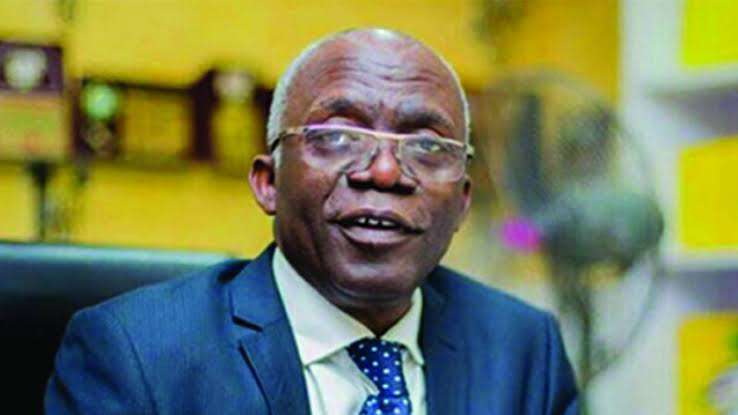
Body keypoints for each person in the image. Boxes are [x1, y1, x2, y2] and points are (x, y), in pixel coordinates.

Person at [45, 28, 578, 414]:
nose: (385, 172)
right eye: (338, 136)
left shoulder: (525, 349)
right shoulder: (136, 354)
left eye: (425, 144)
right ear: (268, 183)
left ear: (462, 201)